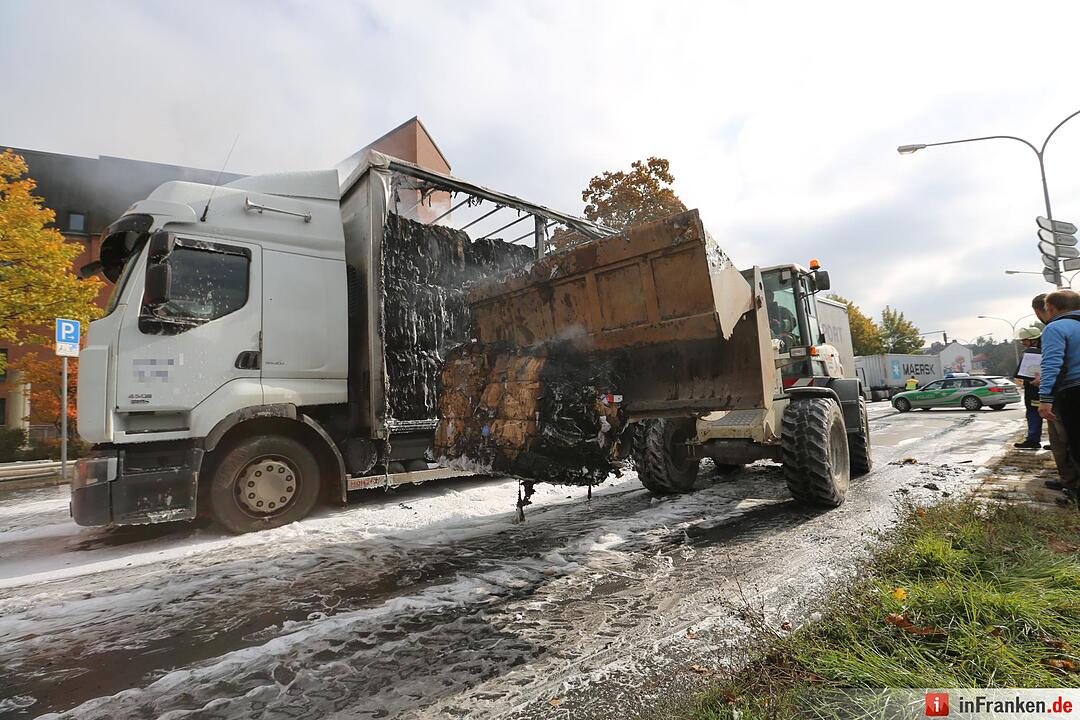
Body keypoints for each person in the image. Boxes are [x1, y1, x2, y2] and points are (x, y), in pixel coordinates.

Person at [1032, 292, 1080, 495]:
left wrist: (1045, 399)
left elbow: (1052, 365)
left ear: (1050, 308)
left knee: (1075, 441)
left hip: (1073, 391)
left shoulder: (1055, 328)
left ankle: (1076, 492)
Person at [1014, 325, 1043, 450]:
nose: (1022, 342)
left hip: (1040, 388)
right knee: (1033, 413)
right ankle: (1033, 439)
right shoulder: (1030, 352)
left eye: (1025, 340)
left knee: (1038, 414)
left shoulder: (1043, 351)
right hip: (1031, 388)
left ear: (1034, 340)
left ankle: (1034, 439)